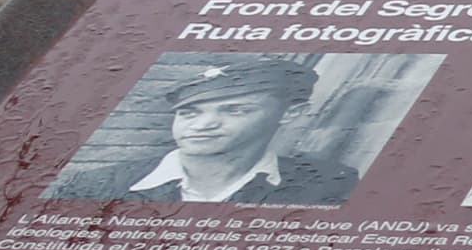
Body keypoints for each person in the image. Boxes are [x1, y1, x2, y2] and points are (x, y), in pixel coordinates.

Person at [91, 57, 355, 205]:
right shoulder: (96, 185)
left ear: (290, 113)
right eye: (189, 113)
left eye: (234, 110)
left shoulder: (330, 183)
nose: (203, 125)